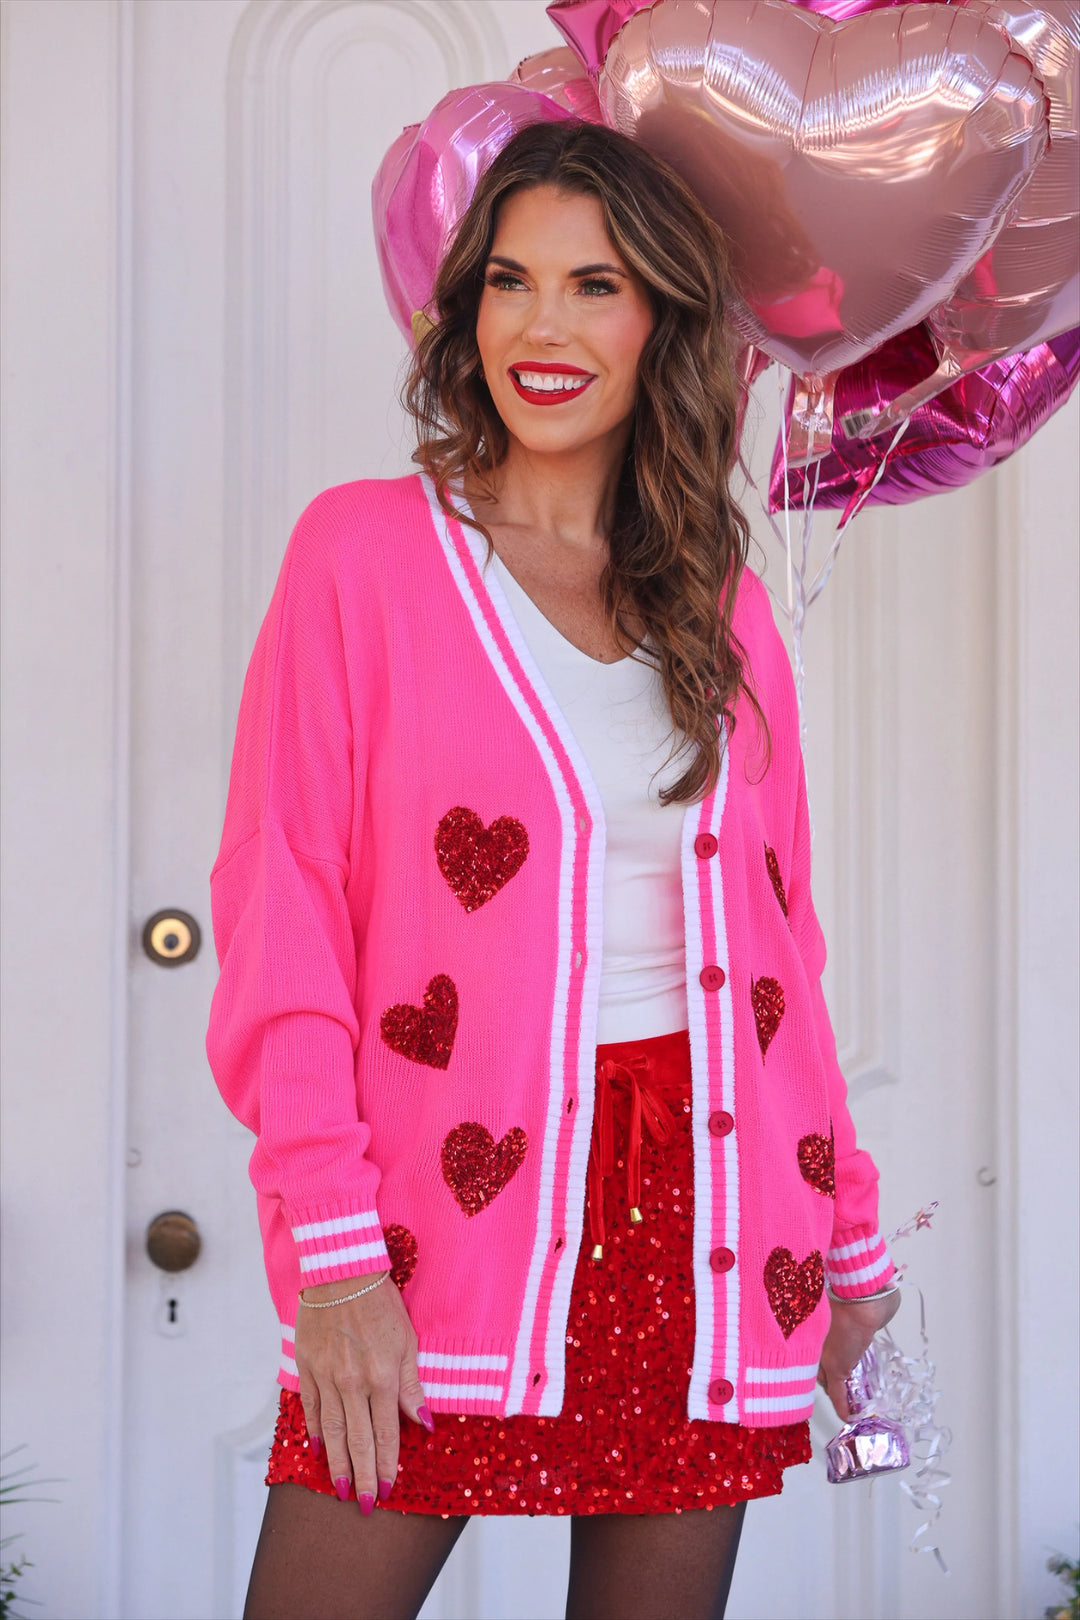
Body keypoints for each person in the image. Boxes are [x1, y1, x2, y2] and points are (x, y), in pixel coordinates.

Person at [206, 120, 901, 1620]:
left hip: (708, 1214)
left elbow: (784, 958)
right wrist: (337, 1260)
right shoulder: (361, 557)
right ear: (465, 312)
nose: (542, 325)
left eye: (595, 285)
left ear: (662, 320)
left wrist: (847, 1241)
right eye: (509, 281)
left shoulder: (718, 603)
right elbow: (284, 908)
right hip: (434, 1223)